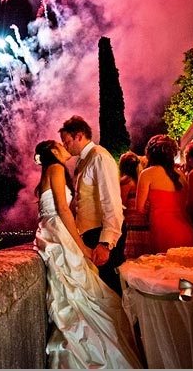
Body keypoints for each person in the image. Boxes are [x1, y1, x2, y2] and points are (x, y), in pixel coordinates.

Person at [32, 140, 143, 369]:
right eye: (60, 145)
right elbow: (63, 209)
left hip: (50, 227)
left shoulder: (51, 170)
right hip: (57, 229)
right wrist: (82, 247)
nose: (64, 147)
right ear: (53, 152)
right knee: (78, 290)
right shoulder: (55, 169)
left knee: (79, 290)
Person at [58, 115, 125, 295]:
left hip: (101, 236)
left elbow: (111, 201)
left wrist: (105, 243)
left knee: (111, 290)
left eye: (67, 142)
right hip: (90, 234)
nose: (65, 146)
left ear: (79, 135)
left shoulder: (100, 158)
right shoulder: (82, 161)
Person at [135, 135, 193, 253]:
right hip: (187, 231)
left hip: (163, 232)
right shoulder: (181, 175)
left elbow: (140, 209)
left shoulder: (147, 174)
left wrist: (149, 205)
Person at [118, 151, 151, 259]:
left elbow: (121, 205)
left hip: (131, 227)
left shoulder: (126, 182)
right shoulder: (141, 181)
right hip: (144, 226)